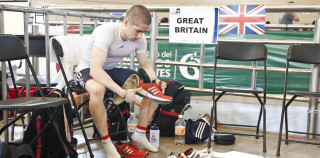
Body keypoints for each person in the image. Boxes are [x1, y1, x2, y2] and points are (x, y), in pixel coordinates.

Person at [75, 5, 170, 158]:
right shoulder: (105, 32)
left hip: (111, 70)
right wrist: (122, 92)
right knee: (98, 90)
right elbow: (95, 70)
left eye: (143, 32)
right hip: (87, 69)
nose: (140, 36)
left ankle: (140, 133)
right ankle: (106, 142)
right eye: (138, 30)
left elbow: (145, 65)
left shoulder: (140, 38)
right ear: (126, 22)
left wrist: (155, 80)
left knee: (151, 87)